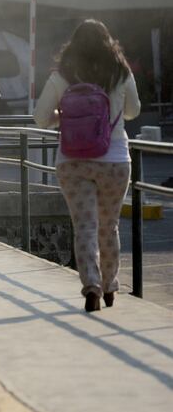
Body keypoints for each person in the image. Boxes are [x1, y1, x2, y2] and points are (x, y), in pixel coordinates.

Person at [33, 19, 141, 312]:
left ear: (73, 45)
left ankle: (91, 286)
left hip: (73, 162)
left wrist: (64, 115)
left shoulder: (61, 75)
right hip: (115, 160)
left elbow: (40, 117)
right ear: (109, 43)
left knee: (84, 226)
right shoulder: (121, 72)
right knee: (109, 226)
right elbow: (133, 111)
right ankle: (110, 285)